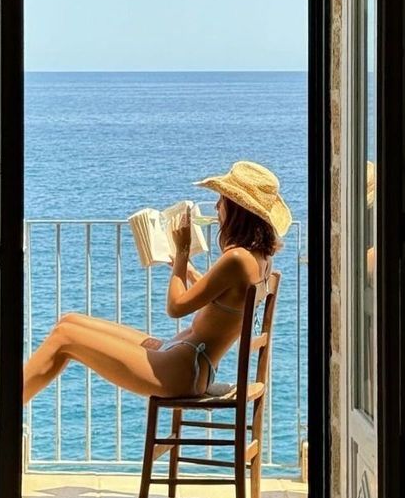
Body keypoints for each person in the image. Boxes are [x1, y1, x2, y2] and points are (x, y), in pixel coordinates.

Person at [22, 160, 292, 405]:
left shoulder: (236, 258)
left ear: (236, 210)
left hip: (182, 372)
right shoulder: (258, 258)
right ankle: (13, 404)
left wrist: (183, 253)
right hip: (187, 360)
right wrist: (180, 265)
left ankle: (8, 412)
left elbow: (176, 307)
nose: (218, 207)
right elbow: (219, 299)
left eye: (222, 200)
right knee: (68, 322)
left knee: (64, 337)